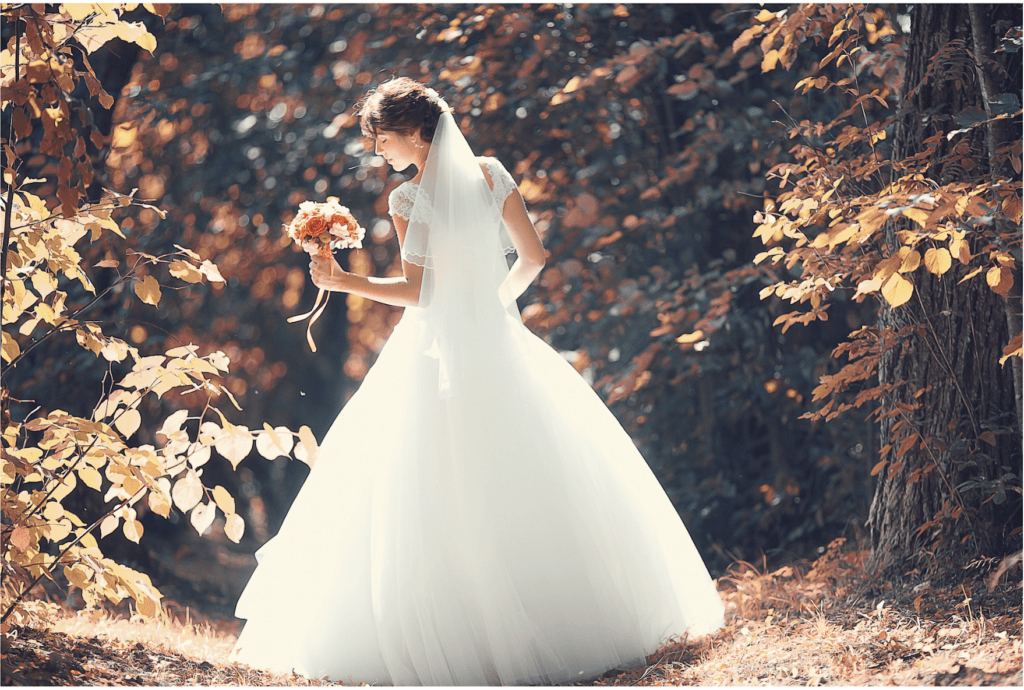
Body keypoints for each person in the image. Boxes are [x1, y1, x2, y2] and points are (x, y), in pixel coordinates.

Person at [231, 77, 724, 686]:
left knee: (426, 480)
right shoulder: (492, 174)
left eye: (383, 140)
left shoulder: (406, 200)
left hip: (432, 353)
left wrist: (343, 283)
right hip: (498, 342)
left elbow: (420, 292)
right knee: (526, 471)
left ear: (414, 133)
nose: (380, 153)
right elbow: (534, 258)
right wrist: (494, 307)